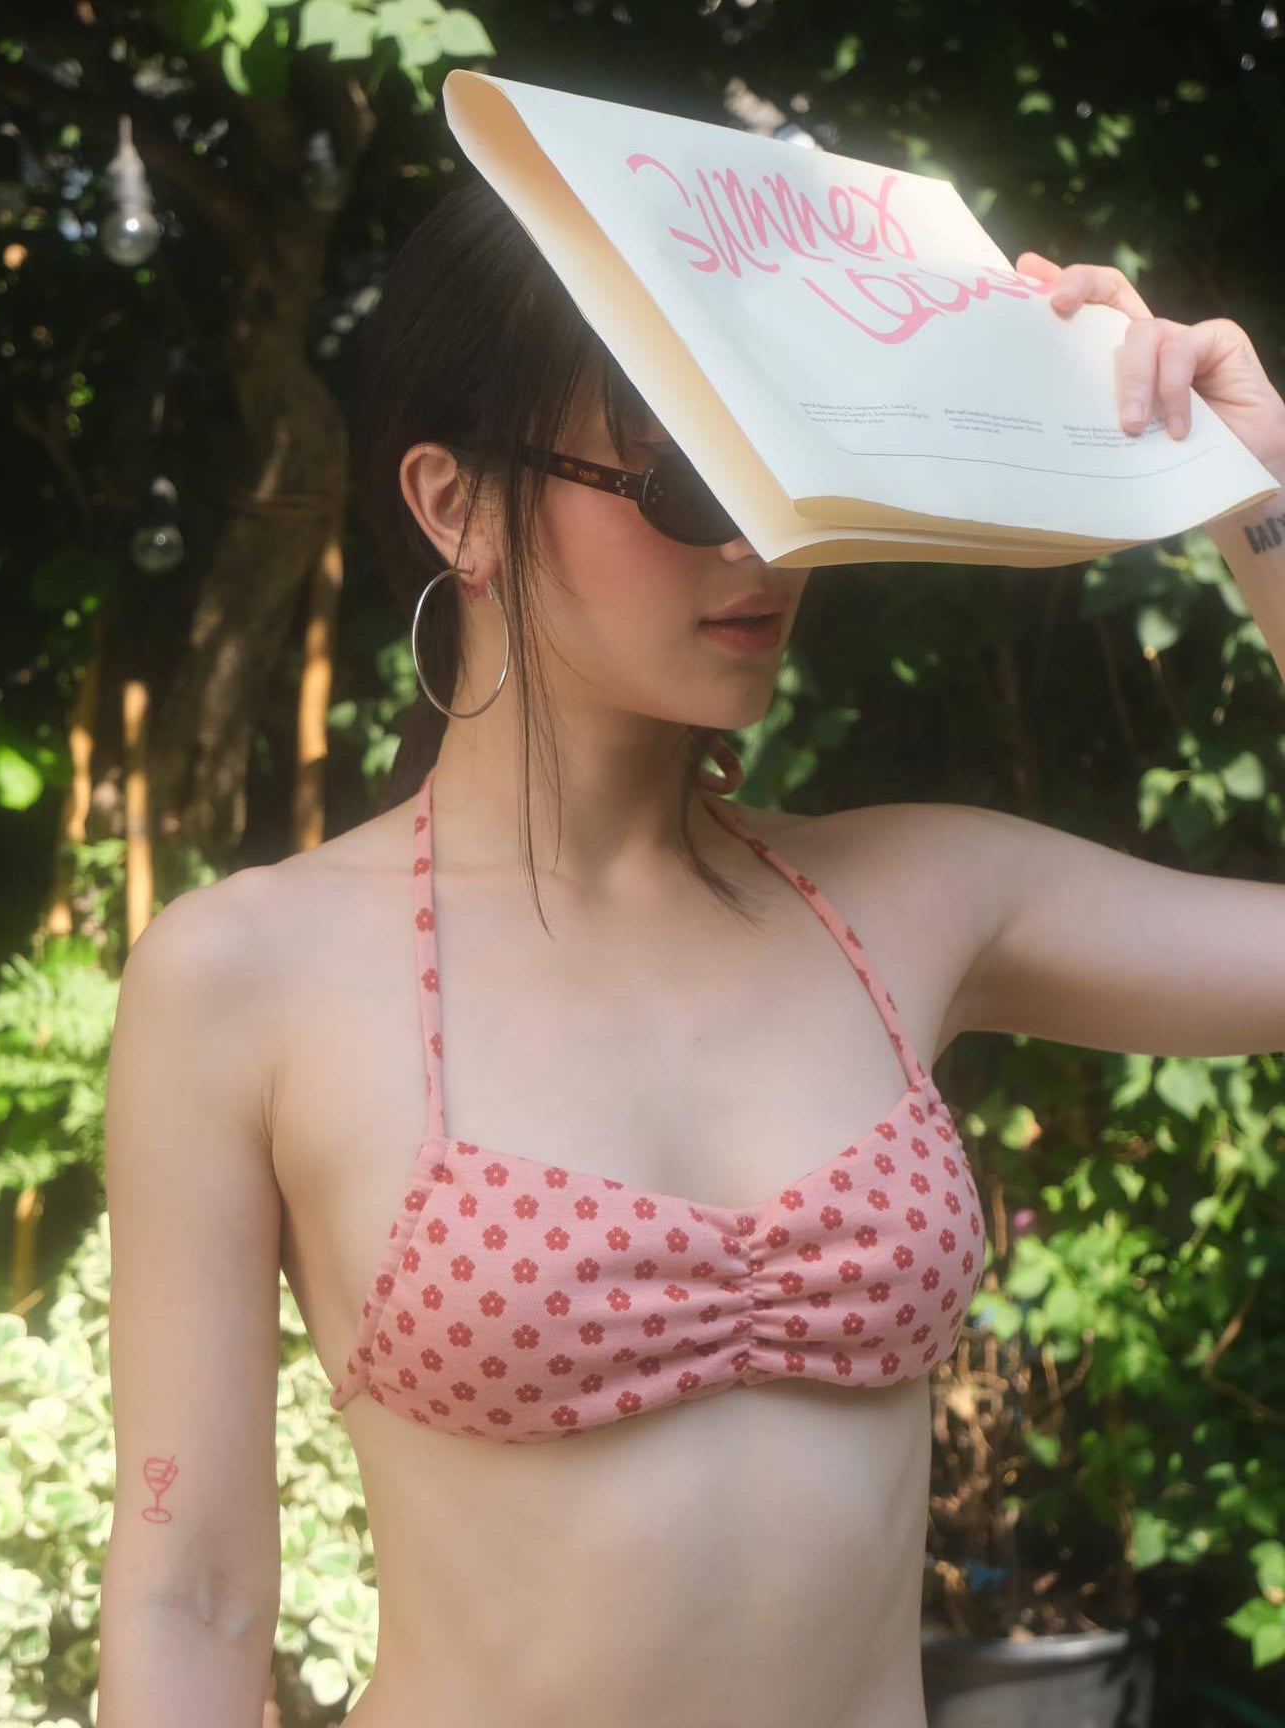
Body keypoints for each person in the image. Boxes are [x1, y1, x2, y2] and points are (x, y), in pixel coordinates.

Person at [96, 177, 1285, 1728]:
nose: (758, 537)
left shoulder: (915, 899)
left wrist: (1258, 492)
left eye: (782, 461)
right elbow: (189, 1594)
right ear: (456, 505)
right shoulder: (244, 977)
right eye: (681, 471)